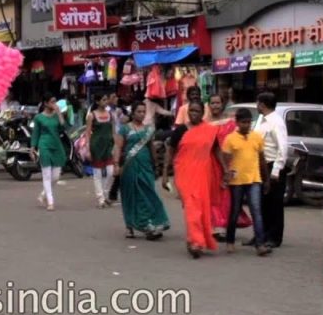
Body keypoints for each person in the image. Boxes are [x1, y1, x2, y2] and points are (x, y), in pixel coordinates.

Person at [165, 100, 227, 259]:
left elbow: (217, 151)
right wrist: (165, 174)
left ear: (202, 113)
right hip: (184, 174)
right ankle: (196, 240)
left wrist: (225, 170)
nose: (194, 114)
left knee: (200, 208)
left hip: (203, 175)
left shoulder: (209, 131)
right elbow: (170, 151)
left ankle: (195, 240)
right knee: (192, 206)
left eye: (197, 111)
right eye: (191, 111)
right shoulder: (180, 130)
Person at [221, 108, 271, 256]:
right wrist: (226, 176)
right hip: (236, 181)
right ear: (237, 123)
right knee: (235, 211)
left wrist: (267, 179)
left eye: (249, 122)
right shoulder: (230, 139)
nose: (246, 125)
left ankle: (260, 244)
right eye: (243, 122)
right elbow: (225, 159)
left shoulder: (256, 137)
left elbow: (262, 160)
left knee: (256, 211)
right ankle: (230, 241)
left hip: (254, 179)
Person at [118, 102, 170, 240]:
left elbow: (151, 147)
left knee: (148, 194)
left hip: (145, 165)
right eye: (138, 111)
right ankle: (130, 226)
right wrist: (117, 165)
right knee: (130, 195)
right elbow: (118, 148)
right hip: (129, 166)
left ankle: (150, 222)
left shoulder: (148, 129)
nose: (141, 114)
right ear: (133, 113)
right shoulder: (124, 129)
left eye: (143, 112)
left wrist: (156, 165)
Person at [207, 94, 247, 240]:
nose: (215, 105)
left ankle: (222, 226)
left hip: (228, 163)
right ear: (209, 105)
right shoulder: (205, 124)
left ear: (222, 104)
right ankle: (213, 226)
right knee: (212, 194)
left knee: (226, 196)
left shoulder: (230, 124)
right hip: (210, 164)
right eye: (213, 103)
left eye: (218, 103)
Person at [254, 92, 288, 248]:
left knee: (274, 204)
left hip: (272, 166)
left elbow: (283, 148)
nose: (256, 105)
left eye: (258, 102)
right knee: (263, 203)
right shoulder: (262, 120)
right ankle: (261, 235)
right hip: (260, 166)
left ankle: (274, 237)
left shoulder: (276, 122)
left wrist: (276, 171)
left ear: (262, 104)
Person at [30, 95, 67, 212]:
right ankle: (50, 202)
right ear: (46, 103)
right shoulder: (39, 118)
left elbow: (63, 128)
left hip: (56, 145)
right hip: (44, 145)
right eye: (52, 102)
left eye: (55, 101)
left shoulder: (57, 116)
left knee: (56, 176)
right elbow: (35, 133)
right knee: (46, 175)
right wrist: (33, 148)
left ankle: (43, 195)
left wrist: (60, 114)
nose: (55, 104)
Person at [86, 94, 120, 208]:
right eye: (104, 99)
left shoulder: (111, 115)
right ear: (97, 101)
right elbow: (87, 133)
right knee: (98, 174)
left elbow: (114, 132)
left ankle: (105, 194)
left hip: (109, 145)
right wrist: (87, 149)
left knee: (110, 172)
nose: (106, 102)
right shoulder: (91, 116)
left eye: (106, 99)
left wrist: (116, 146)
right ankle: (101, 198)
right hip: (96, 146)